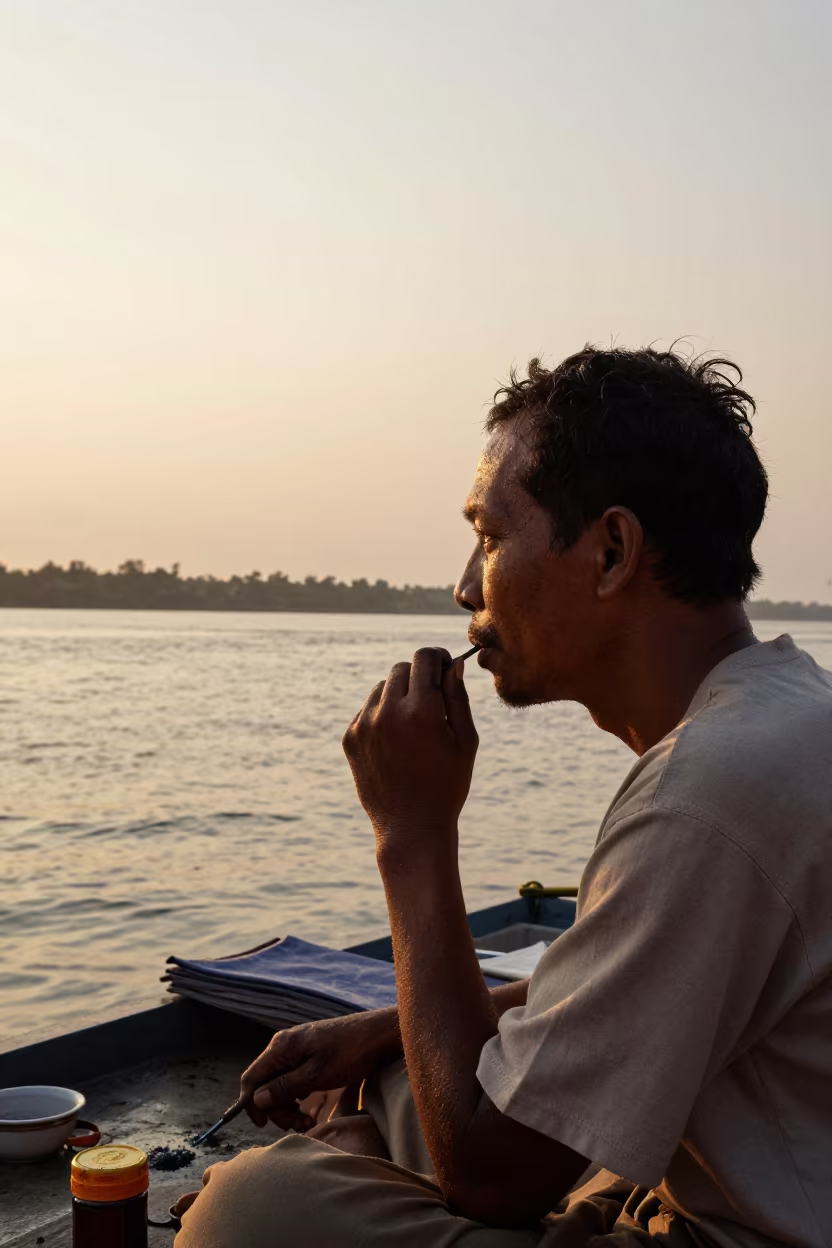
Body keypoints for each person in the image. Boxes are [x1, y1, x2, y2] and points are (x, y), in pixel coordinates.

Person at [173, 346, 832, 1248]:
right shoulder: (786, 716)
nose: (466, 588)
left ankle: (339, 1159)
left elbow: (491, 1176)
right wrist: (377, 1027)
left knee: (249, 1208)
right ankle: (355, 1141)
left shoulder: (701, 796)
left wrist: (411, 834)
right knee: (400, 1065)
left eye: (489, 537)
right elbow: (645, 988)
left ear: (610, 551)